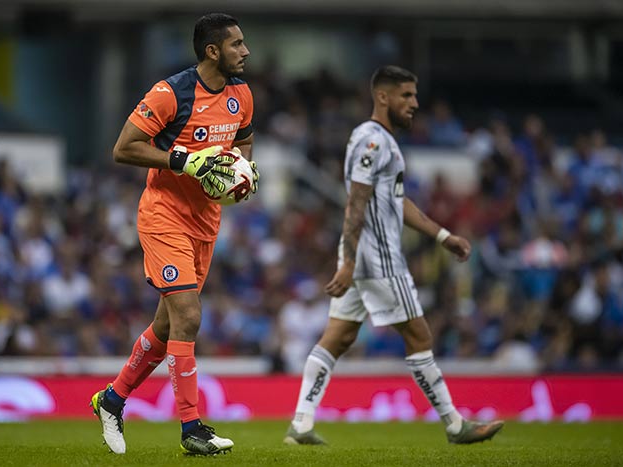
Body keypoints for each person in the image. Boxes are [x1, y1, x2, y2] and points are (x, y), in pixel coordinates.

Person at [283, 65, 503, 446]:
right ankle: (454, 425)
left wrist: (443, 235)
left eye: (415, 96)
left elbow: (397, 203)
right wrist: (351, 260)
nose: (415, 104)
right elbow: (355, 203)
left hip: (361, 254)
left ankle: (300, 424)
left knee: (338, 336)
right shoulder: (373, 141)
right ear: (382, 97)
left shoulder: (381, 141)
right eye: (406, 96)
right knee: (419, 334)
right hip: (377, 257)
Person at [91, 12, 257, 456]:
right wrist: (185, 161)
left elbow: (243, 144)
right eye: (237, 44)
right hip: (164, 216)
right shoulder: (171, 93)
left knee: (166, 328)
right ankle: (192, 428)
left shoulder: (242, 95)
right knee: (188, 315)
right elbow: (123, 148)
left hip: (206, 222)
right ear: (212, 51)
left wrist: (242, 175)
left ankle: (111, 400)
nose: (245, 51)